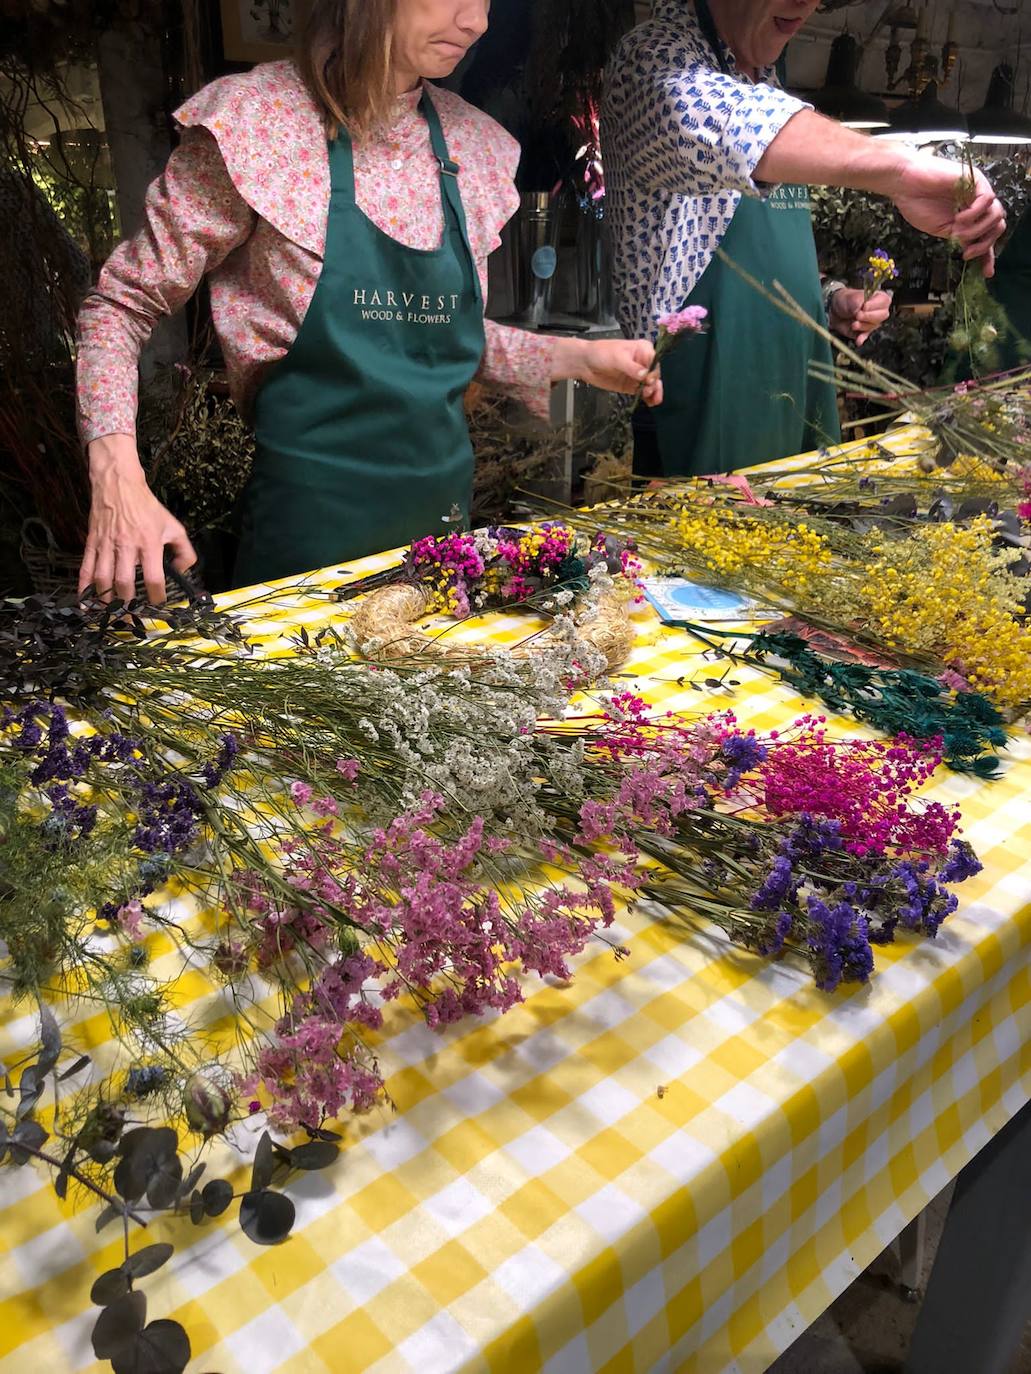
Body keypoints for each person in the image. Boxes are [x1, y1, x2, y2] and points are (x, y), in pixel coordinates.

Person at [76, 0, 663, 603]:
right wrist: (116, 471)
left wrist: (582, 360)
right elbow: (119, 306)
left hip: (441, 549)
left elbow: (437, 334)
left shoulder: (471, 147)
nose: (478, 22)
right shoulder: (259, 124)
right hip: (305, 552)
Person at [602, 0, 1007, 478]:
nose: (804, 3)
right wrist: (905, 172)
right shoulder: (651, 60)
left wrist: (828, 299)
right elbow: (740, 127)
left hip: (793, 403)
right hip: (702, 420)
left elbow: (751, 258)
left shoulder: (763, 81)